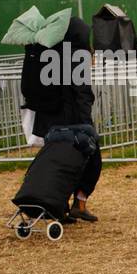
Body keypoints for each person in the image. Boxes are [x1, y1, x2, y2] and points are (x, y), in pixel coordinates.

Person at [27, 15, 101, 222]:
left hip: (51, 121)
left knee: (58, 164)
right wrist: (87, 123)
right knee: (92, 160)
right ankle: (79, 203)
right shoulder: (77, 55)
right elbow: (82, 92)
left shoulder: (48, 52)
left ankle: (56, 205)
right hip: (75, 120)